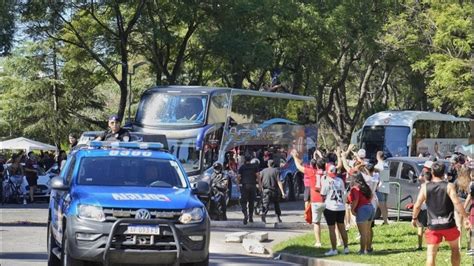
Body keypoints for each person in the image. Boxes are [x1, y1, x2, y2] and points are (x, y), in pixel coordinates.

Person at [412, 162, 470, 266]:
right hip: (448, 224)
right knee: (455, 249)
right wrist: (466, 217)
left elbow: (417, 205)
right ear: (444, 173)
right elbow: (456, 202)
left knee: (431, 255)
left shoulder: (425, 187)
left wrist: (414, 218)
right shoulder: (449, 186)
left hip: (433, 225)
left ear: (432, 172)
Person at [292, 150, 325, 248]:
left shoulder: (311, 172)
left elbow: (298, 166)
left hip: (316, 200)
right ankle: (338, 240)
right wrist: (320, 156)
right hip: (326, 200)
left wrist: (294, 156)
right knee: (333, 223)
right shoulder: (326, 172)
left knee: (316, 223)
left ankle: (318, 242)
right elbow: (325, 163)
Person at [321, 164, 349, 255]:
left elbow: (323, 194)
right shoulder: (340, 180)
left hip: (330, 207)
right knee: (342, 227)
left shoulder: (326, 181)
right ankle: (346, 247)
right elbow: (344, 192)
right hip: (341, 207)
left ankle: (334, 249)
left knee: (332, 229)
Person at [347, 172, 374, 255]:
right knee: (368, 231)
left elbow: (355, 200)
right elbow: (372, 195)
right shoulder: (366, 186)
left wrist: (352, 210)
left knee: (363, 233)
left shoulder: (355, 188)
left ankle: (362, 251)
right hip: (370, 207)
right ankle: (368, 248)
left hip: (362, 209)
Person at [237, 155, 260, 225]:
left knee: (243, 202)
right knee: (251, 202)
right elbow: (258, 176)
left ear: (244, 160)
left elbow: (238, 177)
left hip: (244, 186)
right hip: (252, 186)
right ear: (250, 160)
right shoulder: (254, 167)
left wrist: (238, 185)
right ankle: (250, 217)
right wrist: (260, 185)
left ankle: (245, 215)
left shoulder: (242, 167)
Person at [375, 151, 389, 225]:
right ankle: (386, 219)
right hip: (386, 185)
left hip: (380, 186)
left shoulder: (378, 166)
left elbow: (375, 176)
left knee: (381, 205)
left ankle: (385, 221)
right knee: (385, 205)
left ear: (377, 156)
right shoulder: (386, 164)